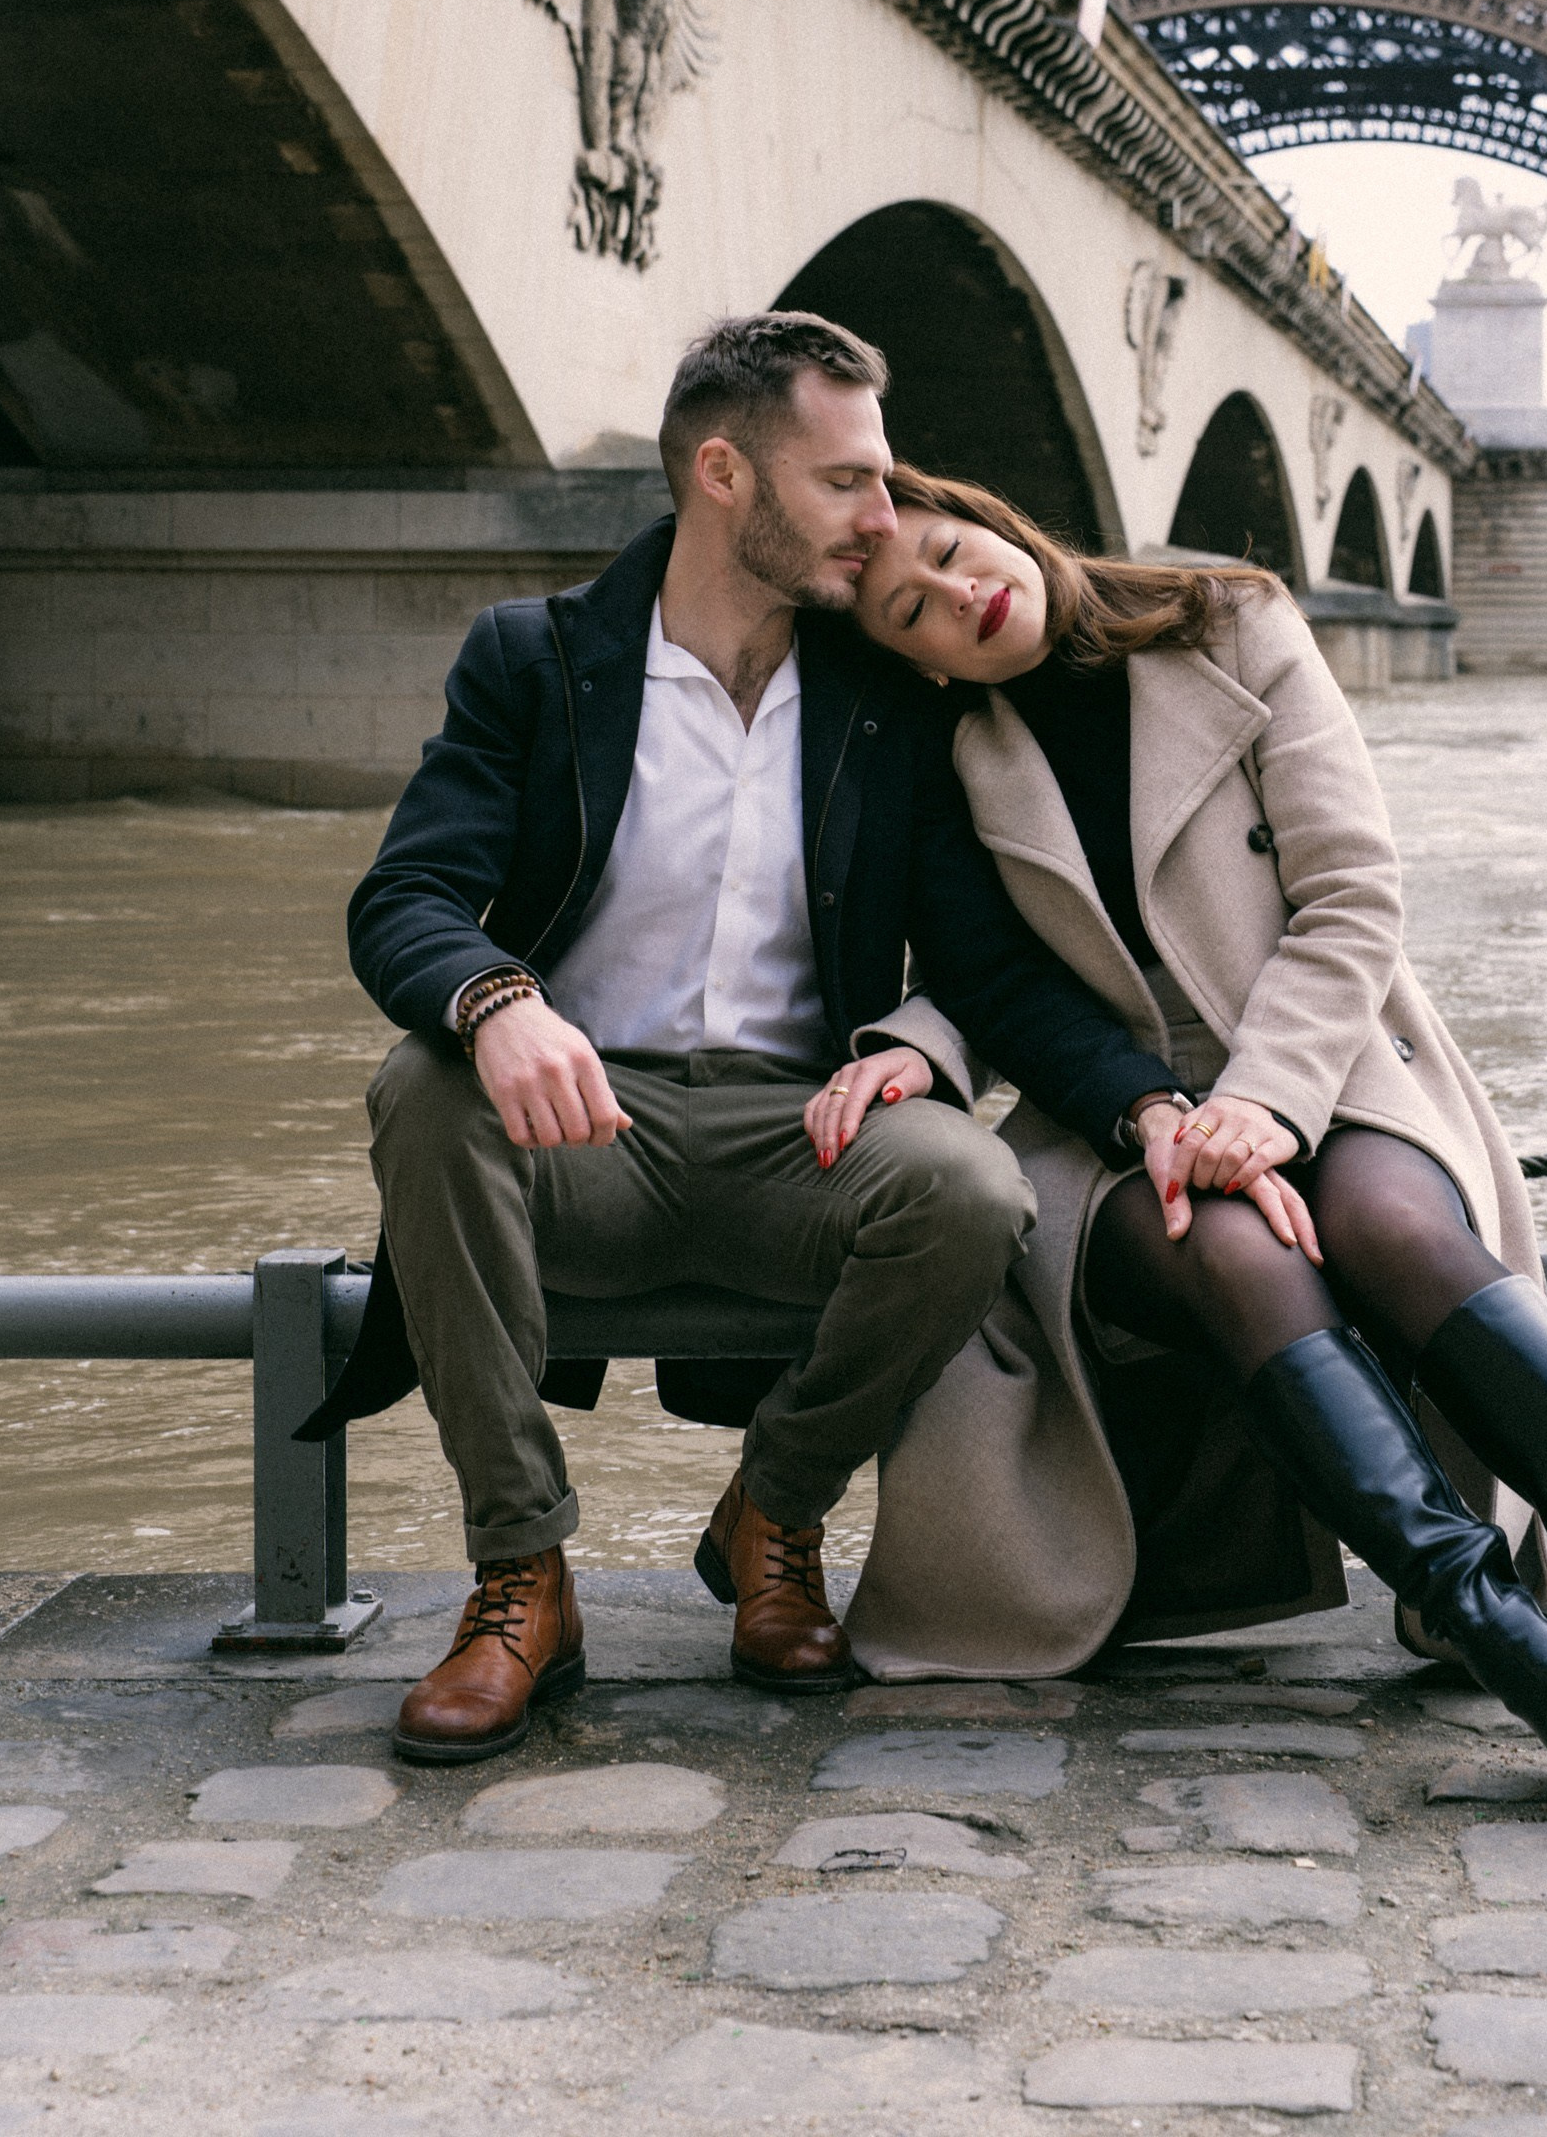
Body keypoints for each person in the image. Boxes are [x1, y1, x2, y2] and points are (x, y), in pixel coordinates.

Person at [845, 466, 1547, 1839]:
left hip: (1324, 1048)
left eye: (952, 552)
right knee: (1231, 1248)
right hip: (1114, 1117)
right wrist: (1149, 1112)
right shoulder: (949, 757)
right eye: (913, 614)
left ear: (996, 521)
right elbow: (998, 982)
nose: (960, 596)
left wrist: (1267, 1103)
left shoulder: (1230, 622)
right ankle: (1506, 1638)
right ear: (919, 666)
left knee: (1392, 1227)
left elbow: (1352, 893)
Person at [318, 315, 1179, 1760]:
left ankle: (775, 1512)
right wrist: (498, 1002)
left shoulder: (886, 699)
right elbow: (403, 896)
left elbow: (989, 968)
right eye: (846, 482)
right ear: (725, 475)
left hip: (803, 1137)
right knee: (424, 1086)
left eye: (882, 481)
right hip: (583, 1134)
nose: (884, 518)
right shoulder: (536, 659)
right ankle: (522, 1578)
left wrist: (1141, 1104)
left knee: (970, 1190)